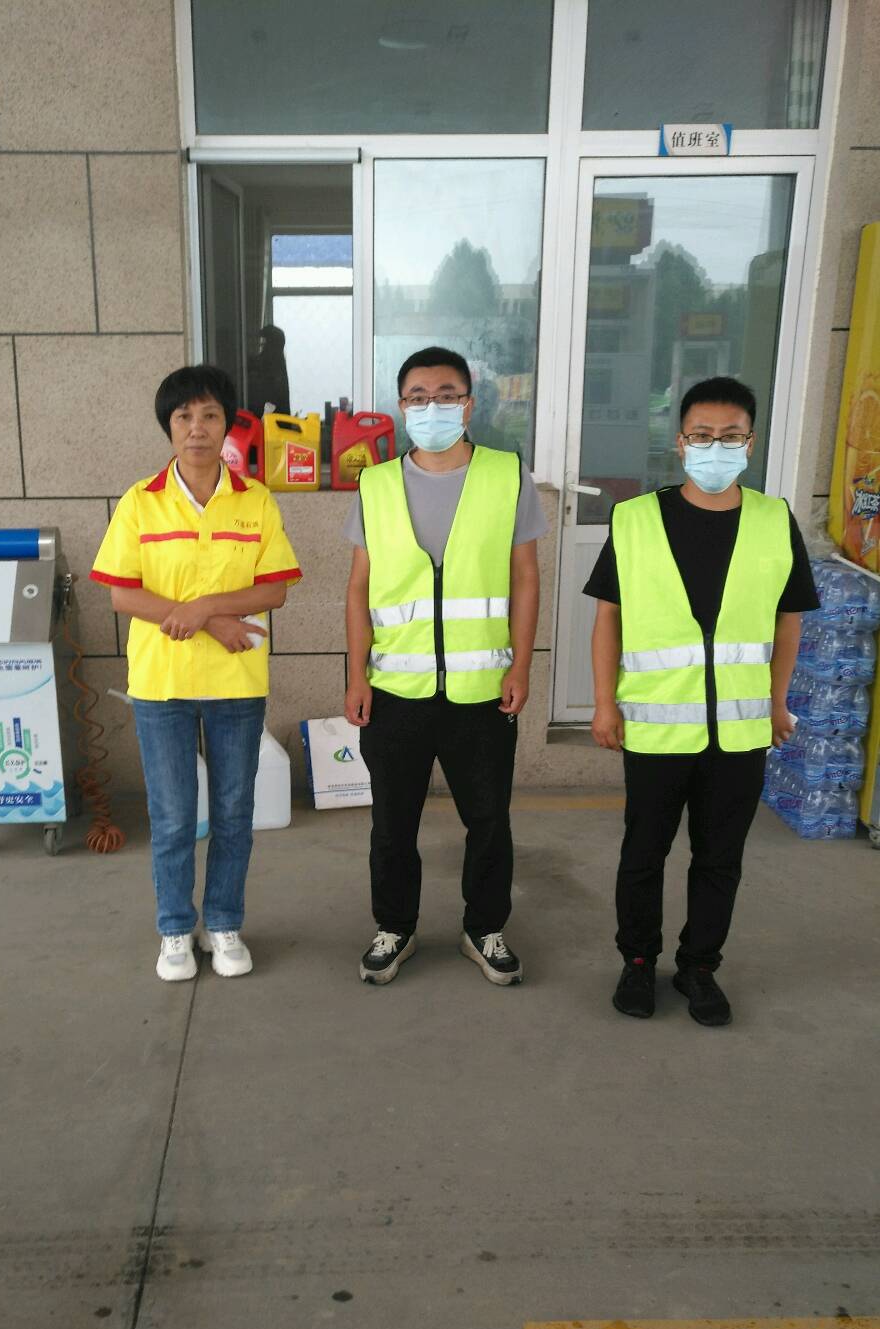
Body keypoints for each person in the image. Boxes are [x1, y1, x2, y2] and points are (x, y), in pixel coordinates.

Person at [585, 375, 819, 1026]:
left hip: (741, 730)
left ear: (751, 443)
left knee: (720, 859)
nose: (717, 447)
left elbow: (788, 621)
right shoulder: (635, 519)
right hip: (657, 728)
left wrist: (777, 703)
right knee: (644, 853)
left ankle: (699, 967)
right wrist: (603, 704)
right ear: (680, 442)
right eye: (703, 435)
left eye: (731, 436)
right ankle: (638, 960)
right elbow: (608, 619)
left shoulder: (774, 520)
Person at [90, 364, 302, 982]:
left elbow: (274, 590)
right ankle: (175, 931)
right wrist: (213, 622)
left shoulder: (254, 500)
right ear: (169, 426)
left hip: (237, 682)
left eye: (210, 415)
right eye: (184, 416)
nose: (197, 428)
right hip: (162, 684)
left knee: (235, 813)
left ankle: (225, 923)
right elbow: (122, 595)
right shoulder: (141, 501)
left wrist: (206, 608)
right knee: (174, 817)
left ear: (228, 424)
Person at [343, 345, 545, 986]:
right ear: (402, 407)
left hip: (482, 691)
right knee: (391, 824)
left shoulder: (507, 475)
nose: (433, 406)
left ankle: (484, 929)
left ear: (469, 403)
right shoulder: (375, 484)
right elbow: (359, 587)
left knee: (488, 821)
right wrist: (356, 676)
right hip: (395, 689)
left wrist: (522, 667)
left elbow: (525, 576)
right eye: (419, 397)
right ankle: (395, 927)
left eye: (447, 395)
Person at [246, 324, 291, 417]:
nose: (261, 345)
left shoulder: (272, 367)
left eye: (264, 342)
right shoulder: (277, 364)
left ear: (270, 344)